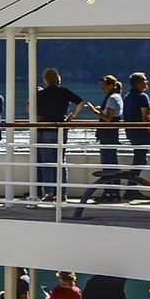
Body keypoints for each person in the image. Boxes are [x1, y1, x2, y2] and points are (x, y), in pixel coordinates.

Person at [36, 69, 88, 201]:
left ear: (45, 79)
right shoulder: (64, 92)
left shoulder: (41, 94)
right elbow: (80, 102)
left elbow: (33, 109)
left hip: (45, 128)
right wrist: (72, 116)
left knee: (47, 163)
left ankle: (49, 193)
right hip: (61, 129)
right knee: (60, 162)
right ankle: (62, 193)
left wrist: (37, 117)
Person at [87, 74, 125, 203]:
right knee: (112, 163)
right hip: (112, 135)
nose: (103, 89)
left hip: (108, 135)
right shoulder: (116, 97)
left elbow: (108, 118)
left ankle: (111, 193)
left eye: (105, 87)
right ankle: (112, 192)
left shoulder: (112, 99)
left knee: (109, 164)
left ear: (111, 86)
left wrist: (95, 111)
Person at [126, 73, 150, 189]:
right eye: (145, 80)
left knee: (139, 158)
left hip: (131, 132)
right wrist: (149, 128)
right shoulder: (143, 97)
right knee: (140, 160)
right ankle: (131, 187)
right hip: (142, 133)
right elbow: (144, 116)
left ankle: (132, 186)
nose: (147, 82)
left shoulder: (127, 96)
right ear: (138, 83)